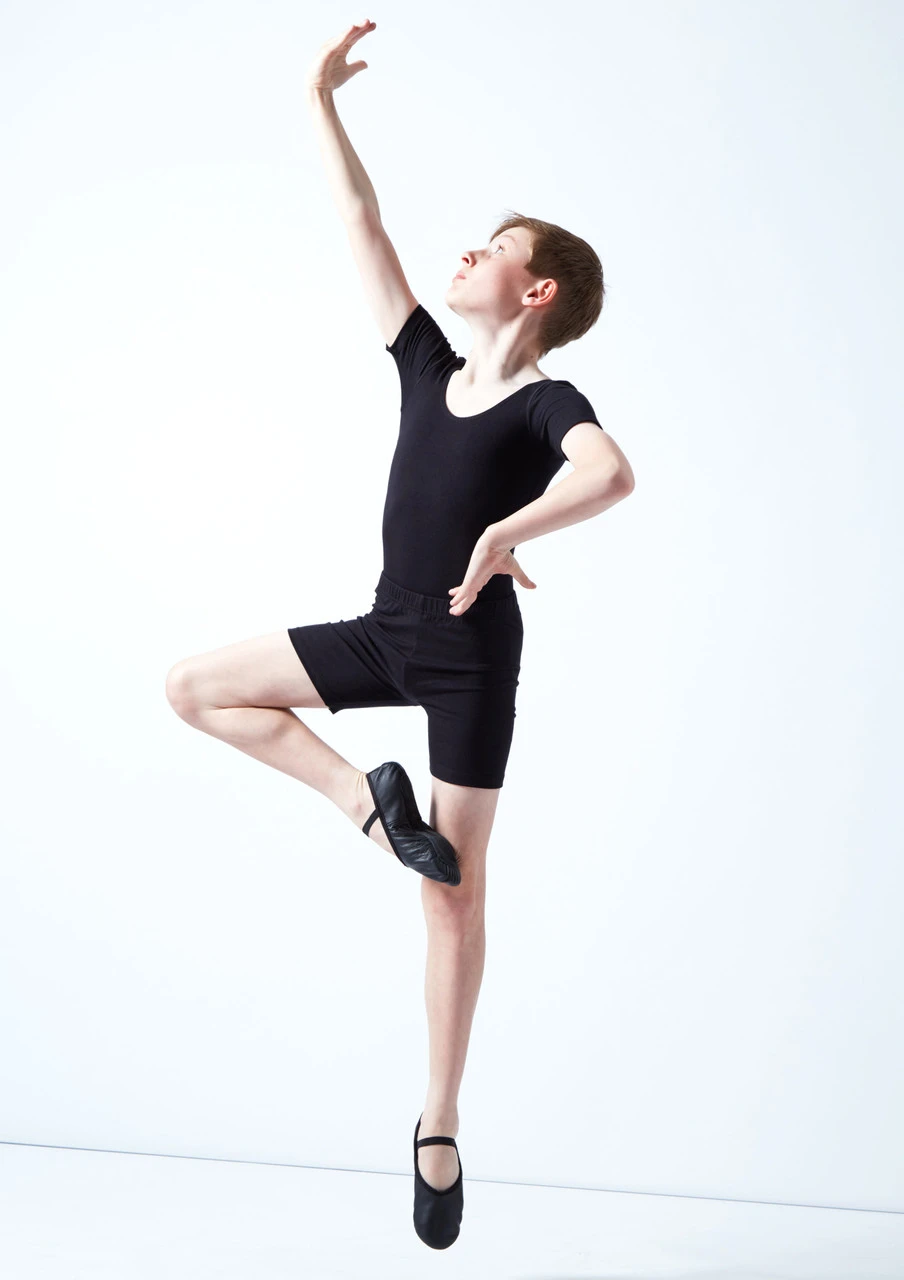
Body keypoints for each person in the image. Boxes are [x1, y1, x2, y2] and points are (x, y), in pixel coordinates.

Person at [165, 17, 635, 1250]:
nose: (466, 251)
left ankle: (438, 1118)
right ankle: (364, 804)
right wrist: (317, 98)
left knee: (452, 900)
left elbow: (610, 473)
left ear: (535, 291)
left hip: (471, 654)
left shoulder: (546, 401)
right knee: (196, 686)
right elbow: (360, 219)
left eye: (496, 247)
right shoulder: (426, 363)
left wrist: (501, 534)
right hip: (385, 630)